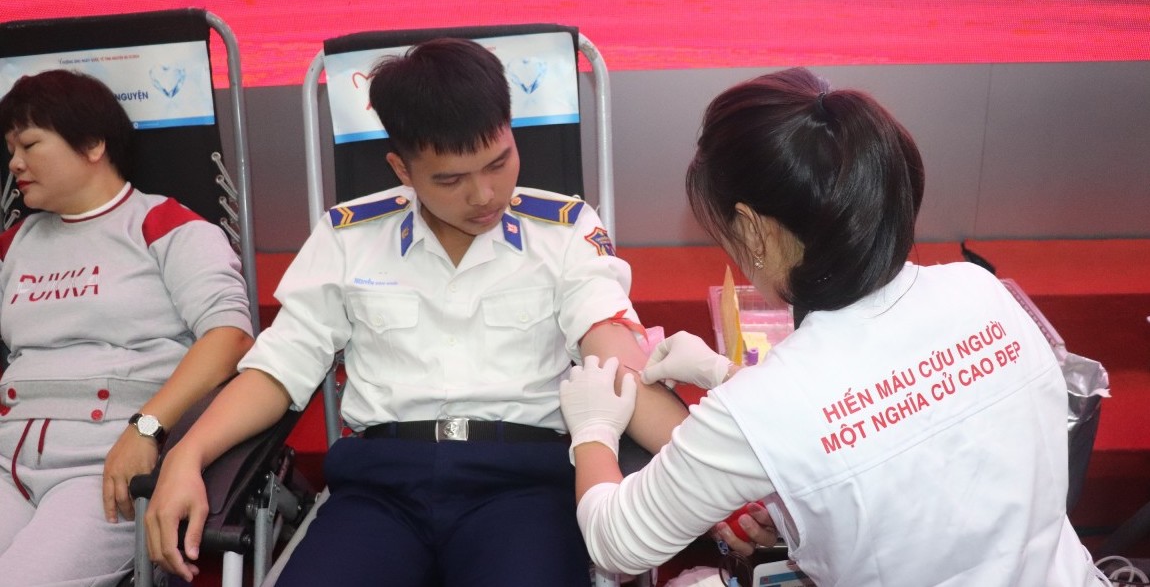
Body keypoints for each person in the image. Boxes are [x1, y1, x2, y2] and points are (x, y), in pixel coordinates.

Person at [145, 37, 687, 586]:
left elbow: (619, 362)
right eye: (450, 180)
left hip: (523, 488)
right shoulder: (348, 236)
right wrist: (185, 456)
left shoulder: (565, 230)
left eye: (499, 162)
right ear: (401, 169)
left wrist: (720, 471)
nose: (484, 194)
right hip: (380, 492)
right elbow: (278, 370)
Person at [559, 67, 1109, 586]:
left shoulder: (762, 409)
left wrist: (593, 432)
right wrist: (728, 378)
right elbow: (905, 435)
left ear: (753, 229)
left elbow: (617, 540)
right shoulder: (980, 290)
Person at [0, 69, 254, 586]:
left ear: (93, 144)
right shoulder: (15, 242)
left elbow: (230, 338)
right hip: (6, 462)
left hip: (104, 467)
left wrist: (147, 427)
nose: (14, 164)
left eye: (29, 144)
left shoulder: (165, 225)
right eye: (10, 148)